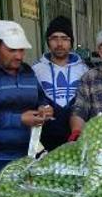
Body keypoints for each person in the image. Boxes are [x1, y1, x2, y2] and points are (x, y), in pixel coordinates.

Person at [0, 20, 50, 182]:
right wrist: (20, 119)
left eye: (21, 50)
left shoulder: (27, 71)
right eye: (12, 50)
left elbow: (40, 97)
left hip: (27, 155)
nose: (19, 56)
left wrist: (45, 107)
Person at [32, 16, 89, 151]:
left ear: (71, 42)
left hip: (77, 136)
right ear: (48, 41)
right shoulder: (35, 69)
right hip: (45, 139)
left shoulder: (84, 69)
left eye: (64, 38)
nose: (59, 43)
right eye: (54, 38)